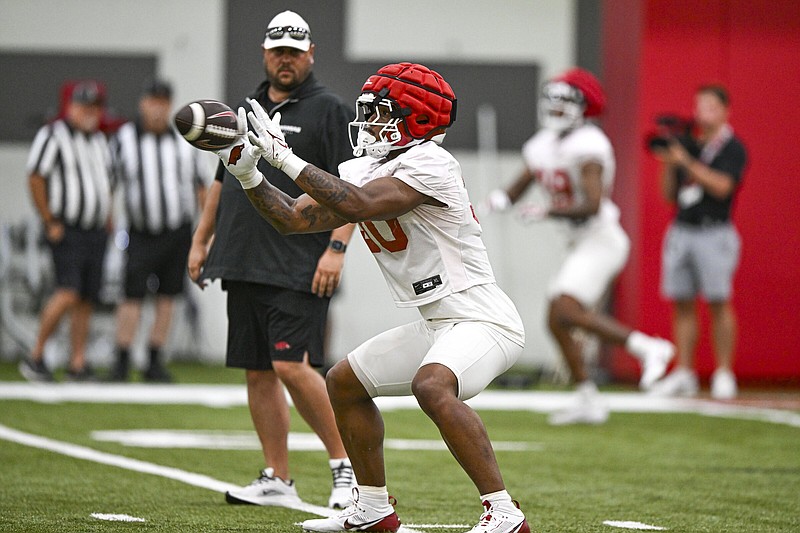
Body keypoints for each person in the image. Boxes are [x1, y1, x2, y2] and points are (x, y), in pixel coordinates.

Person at [218, 62, 531, 533]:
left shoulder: (431, 163)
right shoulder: (367, 164)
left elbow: (357, 205)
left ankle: (504, 512)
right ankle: (372, 508)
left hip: (482, 319)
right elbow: (295, 219)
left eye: (378, 112)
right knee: (343, 383)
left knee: (432, 385)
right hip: (436, 322)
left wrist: (285, 160)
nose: (367, 121)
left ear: (416, 120)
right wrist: (250, 177)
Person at [187, 10, 357, 509]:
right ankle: (278, 477)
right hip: (242, 253)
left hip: (299, 256)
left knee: (291, 365)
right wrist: (201, 240)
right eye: (277, 51)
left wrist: (337, 248)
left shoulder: (330, 109)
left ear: (310, 54)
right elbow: (223, 179)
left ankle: (346, 466)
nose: (285, 60)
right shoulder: (245, 107)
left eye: (294, 51)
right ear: (265, 53)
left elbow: (351, 187)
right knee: (257, 369)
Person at [481, 68, 675, 425]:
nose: (555, 108)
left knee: (566, 310)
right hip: (578, 243)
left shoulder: (589, 145)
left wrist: (547, 211)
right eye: (552, 100)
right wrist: (498, 200)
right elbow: (524, 179)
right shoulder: (542, 144)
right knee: (556, 321)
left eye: (565, 101)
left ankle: (649, 348)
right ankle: (587, 397)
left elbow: (592, 203)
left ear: (584, 108)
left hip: (601, 239)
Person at [647, 84, 747, 400]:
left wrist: (686, 163)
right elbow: (668, 196)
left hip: (714, 230)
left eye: (709, 106)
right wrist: (669, 162)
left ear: (724, 110)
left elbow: (722, 187)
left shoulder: (732, 148)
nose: (701, 112)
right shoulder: (688, 143)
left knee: (718, 301)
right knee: (682, 302)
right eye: (698, 106)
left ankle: (724, 372)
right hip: (682, 229)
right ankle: (685, 371)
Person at [108, 78, 208, 382]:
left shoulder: (182, 140)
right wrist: (109, 224)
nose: (157, 108)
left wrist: (204, 231)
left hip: (177, 231)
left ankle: (153, 357)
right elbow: (109, 185)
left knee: (168, 295)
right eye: (153, 101)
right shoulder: (124, 139)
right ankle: (122, 358)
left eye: (163, 102)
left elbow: (200, 186)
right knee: (132, 295)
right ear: (143, 103)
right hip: (139, 231)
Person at [19, 80, 115, 382]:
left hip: (95, 231)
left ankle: (77, 363)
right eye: (84, 106)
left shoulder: (100, 140)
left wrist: (108, 217)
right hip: (67, 228)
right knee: (67, 292)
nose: (89, 112)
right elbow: (36, 177)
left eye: (94, 107)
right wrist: (49, 219)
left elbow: (106, 184)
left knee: (86, 297)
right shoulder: (53, 135)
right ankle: (36, 355)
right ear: (70, 107)